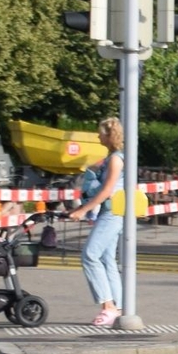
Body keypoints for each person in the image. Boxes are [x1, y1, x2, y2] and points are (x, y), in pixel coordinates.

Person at [65, 117, 126, 327]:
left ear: (110, 135)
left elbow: (107, 190)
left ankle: (108, 306)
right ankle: (117, 306)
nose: (97, 135)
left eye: (100, 132)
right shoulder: (113, 157)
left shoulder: (116, 159)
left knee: (90, 255)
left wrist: (83, 210)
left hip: (111, 213)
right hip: (112, 213)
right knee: (107, 259)